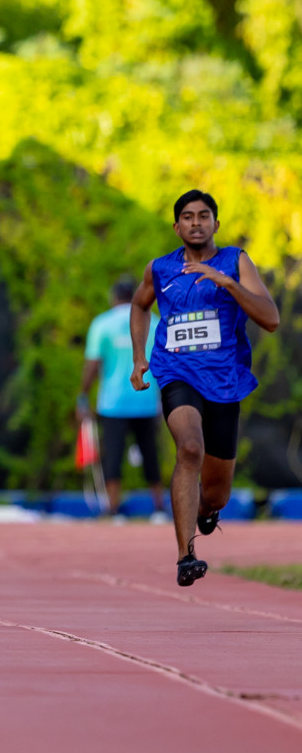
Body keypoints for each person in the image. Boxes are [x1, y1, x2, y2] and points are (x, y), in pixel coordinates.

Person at [130, 189, 278, 587]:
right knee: (189, 447)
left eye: (204, 216)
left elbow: (271, 319)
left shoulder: (236, 261)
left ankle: (205, 512)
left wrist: (227, 283)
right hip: (177, 372)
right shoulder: (160, 269)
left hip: (224, 382)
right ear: (177, 226)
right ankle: (185, 556)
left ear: (215, 223)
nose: (196, 222)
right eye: (188, 217)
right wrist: (139, 356)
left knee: (216, 495)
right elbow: (140, 305)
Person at [79, 279, 167, 519]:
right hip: (148, 399)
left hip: (113, 403)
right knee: (151, 454)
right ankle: (159, 508)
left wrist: (83, 396)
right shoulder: (155, 321)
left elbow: (92, 364)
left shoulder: (102, 324)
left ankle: (113, 509)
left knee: (114, 456)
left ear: (113, 297)